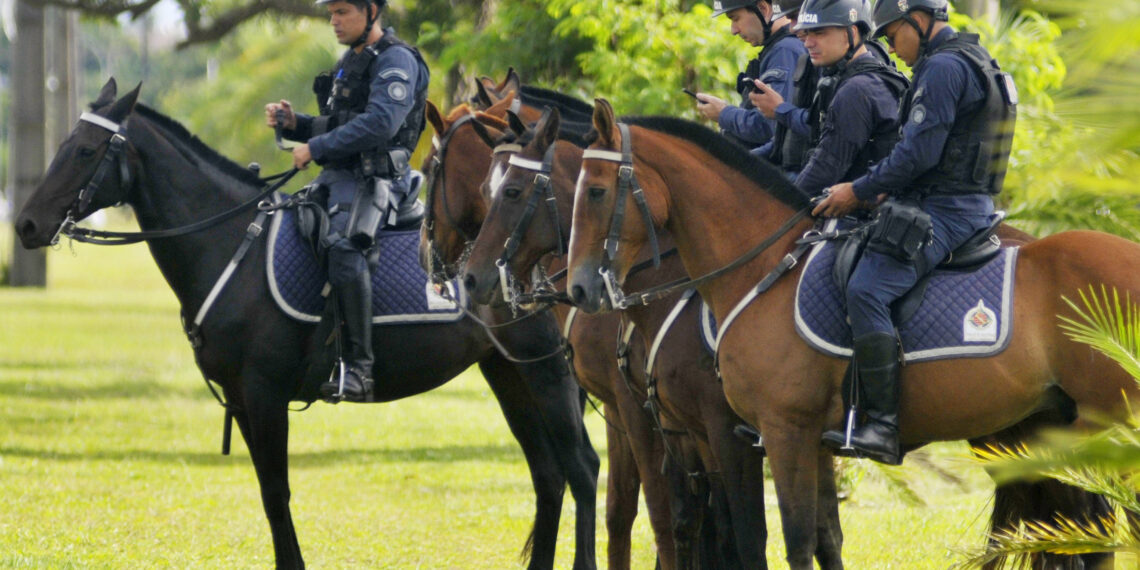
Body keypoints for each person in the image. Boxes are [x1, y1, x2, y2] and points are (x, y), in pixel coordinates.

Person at [811, 0, 1017, 464]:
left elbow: (917, 155)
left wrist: (858, 190)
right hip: (961, 199)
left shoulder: (942, 67)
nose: (890, 45)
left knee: (866, 289)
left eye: (892, 33)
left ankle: (882, 425)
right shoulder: (975, 58)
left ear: (919, 21)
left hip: (948, 210)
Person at [265, 0, 430, 402]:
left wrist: (315, 146)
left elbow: (380, 124)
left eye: (343, 12)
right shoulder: (351, 61)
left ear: (371, 10)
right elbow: (342, 122)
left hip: (380, 179)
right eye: (331, 13)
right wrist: (297, 124)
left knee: (344, 247)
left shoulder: (396, 60)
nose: (334, 21)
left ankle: (359, 368)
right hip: (339, 177)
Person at [755, 0, 908, 196]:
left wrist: (784, 205)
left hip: (859, 213)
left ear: (851, 33)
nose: (808, 42)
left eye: (819, 32)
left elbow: (827, 166)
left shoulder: (857, 89)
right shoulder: (844, 79)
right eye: (807, 33)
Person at [695, 0, 806, 149]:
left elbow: (772, 127)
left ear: (763, 8)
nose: (733, 30)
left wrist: (723, 113)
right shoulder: (778, 49)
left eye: (735, 18)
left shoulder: (785, 50)